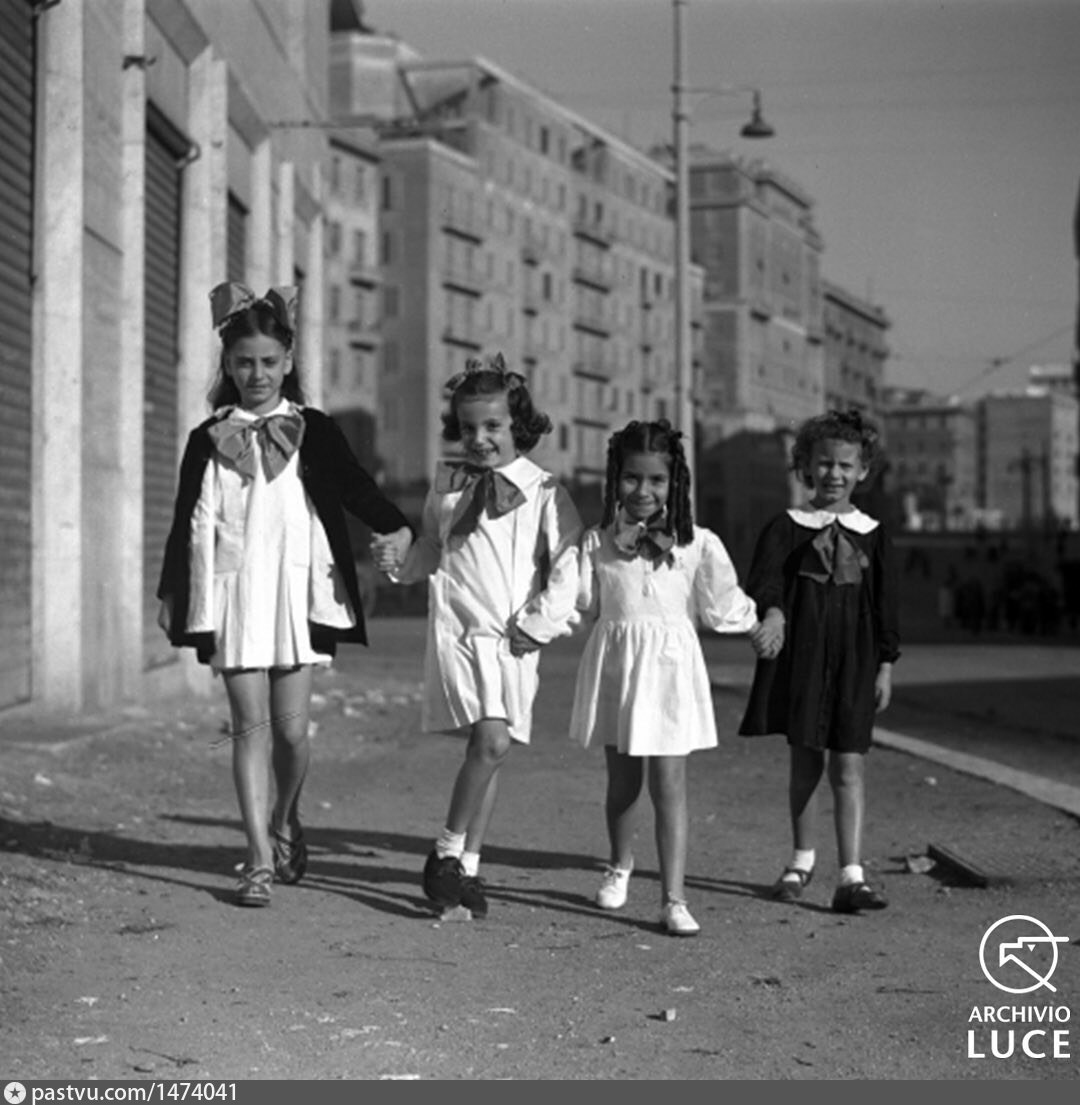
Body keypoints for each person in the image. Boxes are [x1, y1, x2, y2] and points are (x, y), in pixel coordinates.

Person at [157, 282, 413, 908]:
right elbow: (186, 519)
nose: (258, 375)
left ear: (288, 361)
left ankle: (284, 817)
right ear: (228, 364)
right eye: (245, 362)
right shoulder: (207, 437)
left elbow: (355, 487)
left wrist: (399, 526)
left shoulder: (313, 429)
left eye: (269, 362)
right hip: (235, 593)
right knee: (249, 726)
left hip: (298, 592)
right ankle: (258, 860)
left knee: (292, 732)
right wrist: (172, 593)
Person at [373, 353, 582, 919]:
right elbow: (431, 551)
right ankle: (445, 853)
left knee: (491, 752)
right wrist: (399, 560)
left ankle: (467, 867)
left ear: (518, 424)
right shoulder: (447, 489)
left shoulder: (544, 491)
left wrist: (539, 624)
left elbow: (569, 563)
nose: (480, 439)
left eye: (493, 426)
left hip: (515, 640)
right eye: (468, 428)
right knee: (490, 744)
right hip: (462, 635)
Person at [568, 420, 764, 937]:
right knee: (623, 783)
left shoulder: (698, 543)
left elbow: (722, 602)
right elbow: (573, 599)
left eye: (656, 479)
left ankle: (673, 898)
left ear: (675, 482)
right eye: (632, 478)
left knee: (669, 785)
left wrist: (758, 624)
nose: (643, 490)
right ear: (615, 478)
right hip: (619, 668)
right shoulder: (596, 542)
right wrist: (528, 627)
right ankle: (619, 863)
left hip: (671, 672)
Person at [738, 409, 900, 914]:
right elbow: (765, 583)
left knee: (849, 765)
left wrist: (886, 666)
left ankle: (851, 875)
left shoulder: (874, 533)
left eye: (846, 465)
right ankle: (801, 860)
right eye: (824, 463)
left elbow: (885, 605)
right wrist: (773, 613)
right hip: (803, 660)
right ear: (805, 466)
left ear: (863, 471)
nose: (834, 474)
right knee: (805, 759)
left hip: (855, 662)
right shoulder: (786, 527)